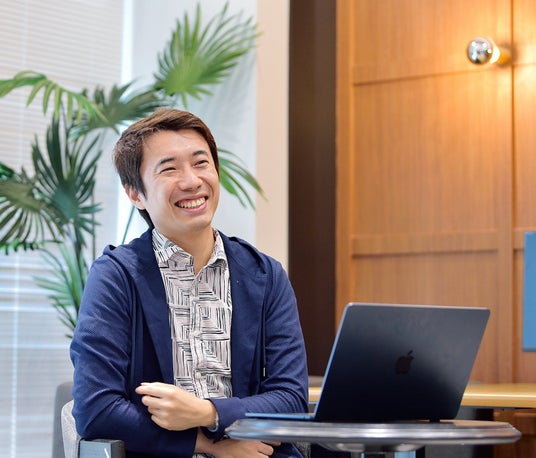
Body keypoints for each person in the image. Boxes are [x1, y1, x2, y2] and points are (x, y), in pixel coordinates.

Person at [70, 108, 309, 458]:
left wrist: (208, 413)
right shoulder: (115, 277)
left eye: (201, 163)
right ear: (135, 193)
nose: (192, 181)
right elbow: (97, 409)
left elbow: (291, 398)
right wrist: (208, 445)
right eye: (169, 169)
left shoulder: (266, 275)